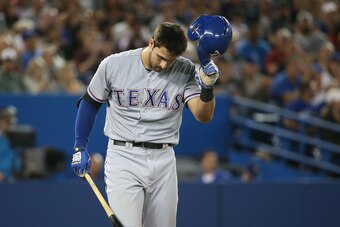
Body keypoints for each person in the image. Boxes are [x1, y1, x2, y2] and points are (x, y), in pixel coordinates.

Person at [71, 16, 232, 227]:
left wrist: (207, 88)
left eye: (171, 60)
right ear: (151, 43)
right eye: (161, 57)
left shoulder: (185, 70)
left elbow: (204, 115)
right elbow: (90, 103)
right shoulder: (114, 64)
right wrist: (79, 145)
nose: (165, 64)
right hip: (123, 157)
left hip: (163, 159)